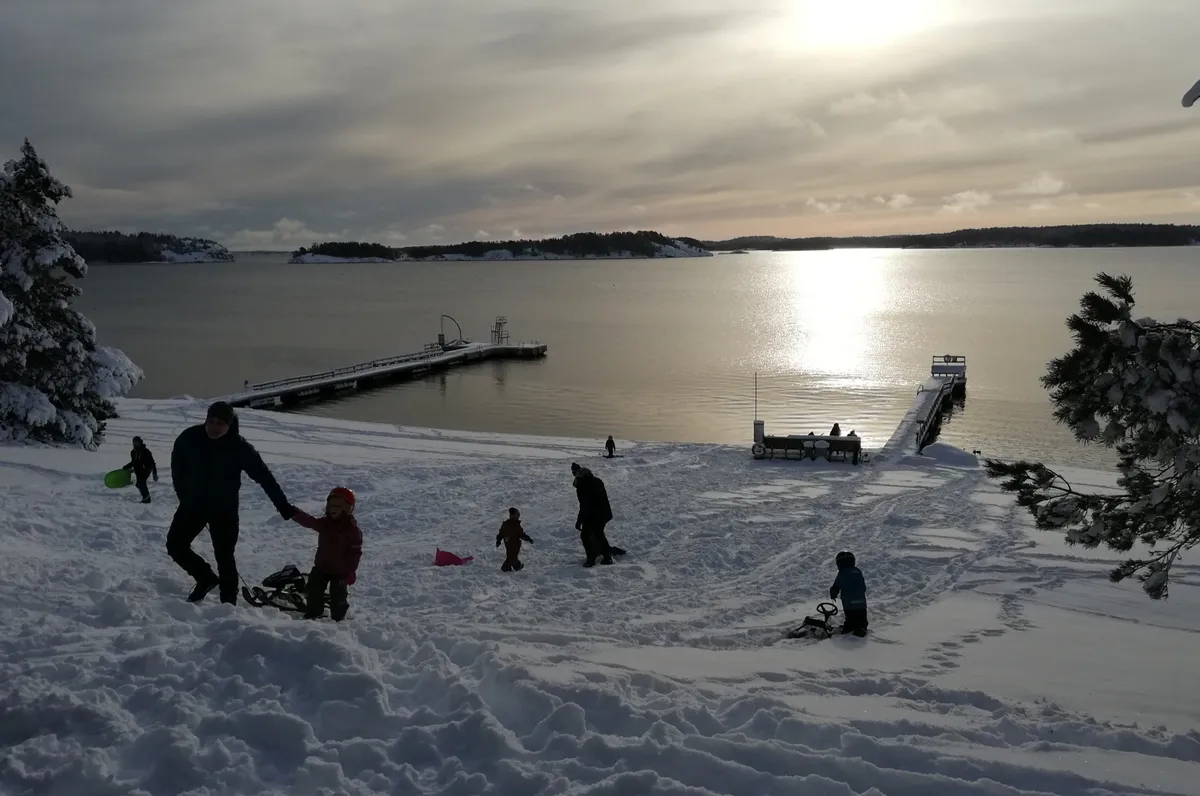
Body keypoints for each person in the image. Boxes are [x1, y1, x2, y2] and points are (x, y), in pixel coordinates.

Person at [167, 401, 294, 604]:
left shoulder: (239, 447)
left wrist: (283, 506)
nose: (214, 428)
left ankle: (228, 602)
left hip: (223, 510)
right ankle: (205, 578)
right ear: (205, 420)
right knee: (175, 545)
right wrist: (182, 493)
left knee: (224, 556)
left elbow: (264, 477)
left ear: (229, 424)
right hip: (192, 506)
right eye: (211, 422)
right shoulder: (189, 438)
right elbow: (177, 465)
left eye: (220, 424)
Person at [288, 487, 363, 621]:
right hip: (322, 567)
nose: (333, 508)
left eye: (338, 506)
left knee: (338, 594)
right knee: (313, 589)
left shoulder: (352, 530)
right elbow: (310, 522)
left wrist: (351, 571)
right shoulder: (325, 523)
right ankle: (314, 614)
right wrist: (294, 513)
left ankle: (338, 619)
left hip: (341, 571)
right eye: (331, 505)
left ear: (347, 508)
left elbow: (355, 553)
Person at [570, 462, 626, 567]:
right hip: (604, 513)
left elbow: (584, 506)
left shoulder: (582, 485)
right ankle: (607, 557)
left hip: (592, 515)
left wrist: (579, 521)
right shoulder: (597, 480)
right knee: (599, 534)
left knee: (585, 536)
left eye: (574, 474)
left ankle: (591, 559)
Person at [829, 551, 868, 637]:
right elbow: (863, 587)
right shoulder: (858, 571)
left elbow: (836, 586)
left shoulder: (843, 573)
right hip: (861, 603)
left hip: (849, 604)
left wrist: (833, 593)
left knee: (850, 618)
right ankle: (861, 628)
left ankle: (849, 628)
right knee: (862, 618)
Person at [495, 506, 533, 571]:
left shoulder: (509, 525)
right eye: (517, 515)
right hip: (512, 545)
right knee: (511, 557)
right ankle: (513, 567)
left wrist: (499, 540)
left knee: (511, 557)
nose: (518, 517)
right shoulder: (512, 525)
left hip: (511, 545)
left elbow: (501, 533)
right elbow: (501, 534)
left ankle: (512, 567)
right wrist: (498, 540)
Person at [124, 436, 158, 504]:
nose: (135, 444)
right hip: (138, 470)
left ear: (140, 442)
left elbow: (152, 463)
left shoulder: (146, 451)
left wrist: (154, 473)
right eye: (133, 443)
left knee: (141, 482)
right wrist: (127, 466)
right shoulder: (133, 452)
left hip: (146, 469)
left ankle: (147, 498)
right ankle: (145, 496)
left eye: (136, 442)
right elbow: (133, 462)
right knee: (137, 484)